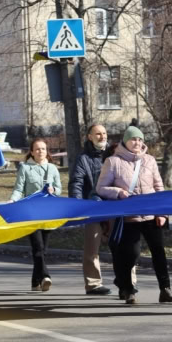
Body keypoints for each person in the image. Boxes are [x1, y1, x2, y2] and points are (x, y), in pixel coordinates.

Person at [96, 126, 172, 305]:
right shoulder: (113, 162)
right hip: (128, 217)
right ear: (125, 141)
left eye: (140, 140)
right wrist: (118, 192)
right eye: (134, 139)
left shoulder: (149, 160)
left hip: (150, 215)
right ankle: (127, 289)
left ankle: (165, 289)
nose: (137, 143)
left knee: (159, 252)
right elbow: (101, 188)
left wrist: (162, 212)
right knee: (130, 254)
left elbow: (159, 188)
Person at [10, 138, 62, 292]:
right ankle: (46, 276)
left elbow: (59, 189)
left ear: (47, 151)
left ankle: (35, 281)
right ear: (32, 152)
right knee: (38, 246)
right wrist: (12, 200)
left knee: (42, 249)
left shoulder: (52, 168)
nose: (41, 151)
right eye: (37, 149)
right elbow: (19, 189)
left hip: (48, 213)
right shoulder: (25, 168)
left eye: (43, 149)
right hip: (31, 213)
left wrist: (54, 190)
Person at [69, 124, 112, 295]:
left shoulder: (116, 154)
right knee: (91, 248)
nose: (102, 137)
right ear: (90, 137)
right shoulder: (83, 158)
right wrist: (77, 206)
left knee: (125, 246)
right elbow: (76, 183)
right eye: (98, 134)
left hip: (115, 207)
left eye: (104, 133)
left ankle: (128, 283)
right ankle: (93, 284)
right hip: (92, 208)